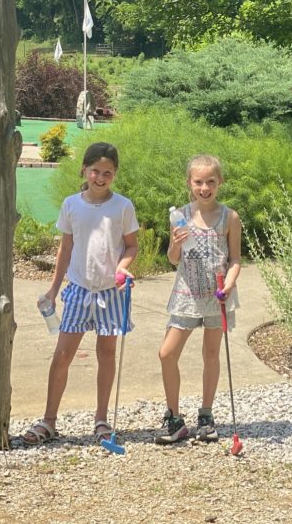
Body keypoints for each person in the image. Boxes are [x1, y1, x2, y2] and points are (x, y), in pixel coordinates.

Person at [22, 141, 139, 446]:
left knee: (107, 354)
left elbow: (131, 246)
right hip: (78, 289)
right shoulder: (72, 204)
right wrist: (54, 288)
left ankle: (101, 420)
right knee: (62, 355)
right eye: (95, 171)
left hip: (111, 293)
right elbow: (66, 248)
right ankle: (49, 420)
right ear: (85, 170)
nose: (101, 178)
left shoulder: (123, 206)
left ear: (115, 174)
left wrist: (122, 267)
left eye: (107, 173)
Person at [155, 153, 241, 444]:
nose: (205, 188)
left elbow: (235, 259)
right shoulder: (180, 216)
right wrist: (175, 243)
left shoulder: (230, 217)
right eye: (198, 182)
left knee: (211, 354)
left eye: (210, 182)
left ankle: (206, 415)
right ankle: (174, 417)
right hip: (187, 294)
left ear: (220, 182)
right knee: (167, 353)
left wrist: (229, 284)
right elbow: (172, 259)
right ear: (189, 183)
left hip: (217, 294)